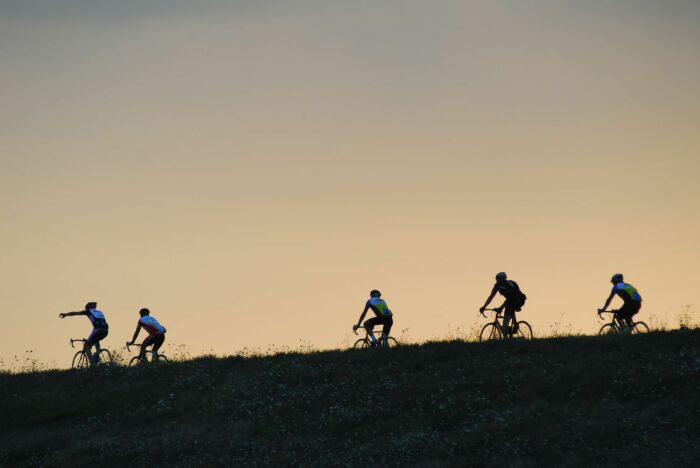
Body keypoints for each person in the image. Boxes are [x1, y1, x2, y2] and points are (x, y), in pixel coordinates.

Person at [479, 272, 527, 338]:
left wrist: (500, 308)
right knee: (509, 310)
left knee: (505, 323)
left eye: (498, 279)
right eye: (497, 279)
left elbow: (510, 299)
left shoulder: (506, 285)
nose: (497, 280)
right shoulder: (499, 285)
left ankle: (506, 340)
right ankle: (512, 328)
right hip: (515, 300)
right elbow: (491, 297)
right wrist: (484, 306)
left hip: (518, 300)